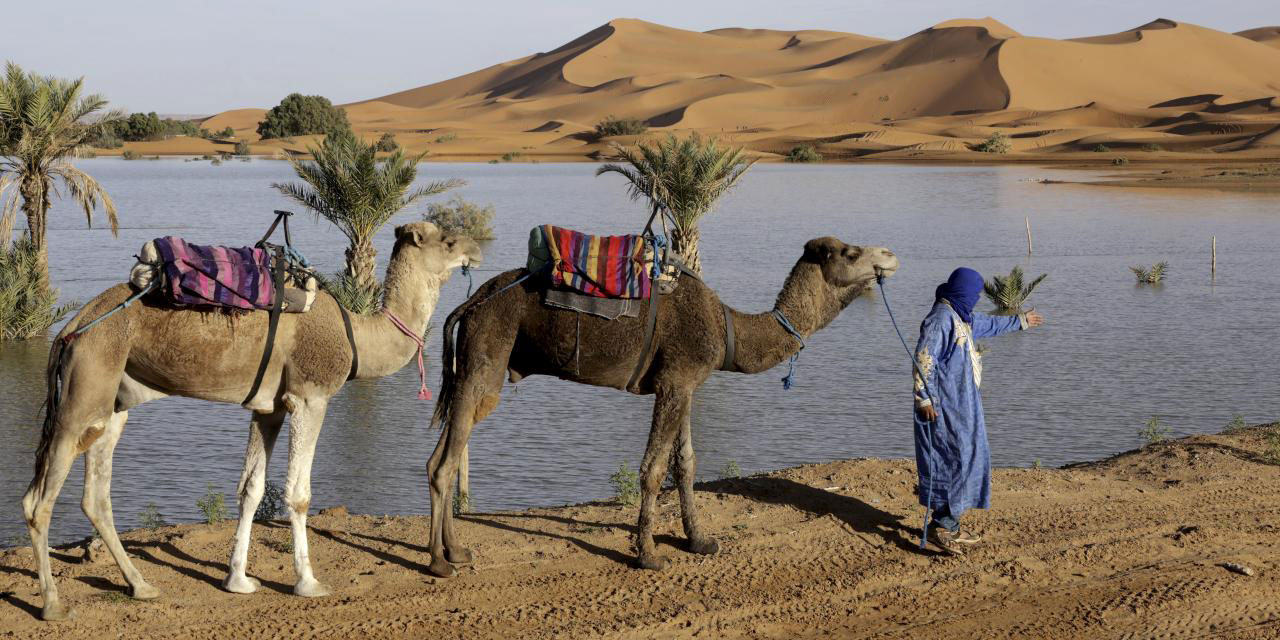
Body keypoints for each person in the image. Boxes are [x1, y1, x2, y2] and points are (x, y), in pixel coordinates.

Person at [912, 267, 1044, 555]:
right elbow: (924, 358)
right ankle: (942, 525)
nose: (975, 299)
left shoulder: (960, 316)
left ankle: (949, 522)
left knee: (969, 456)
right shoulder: (941, 319)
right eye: (973, 293)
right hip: (943, 405)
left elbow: (987, 324)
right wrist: (925, 398)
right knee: (952, 459)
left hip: (963, 403)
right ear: (962, 291)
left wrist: (1020, 321)